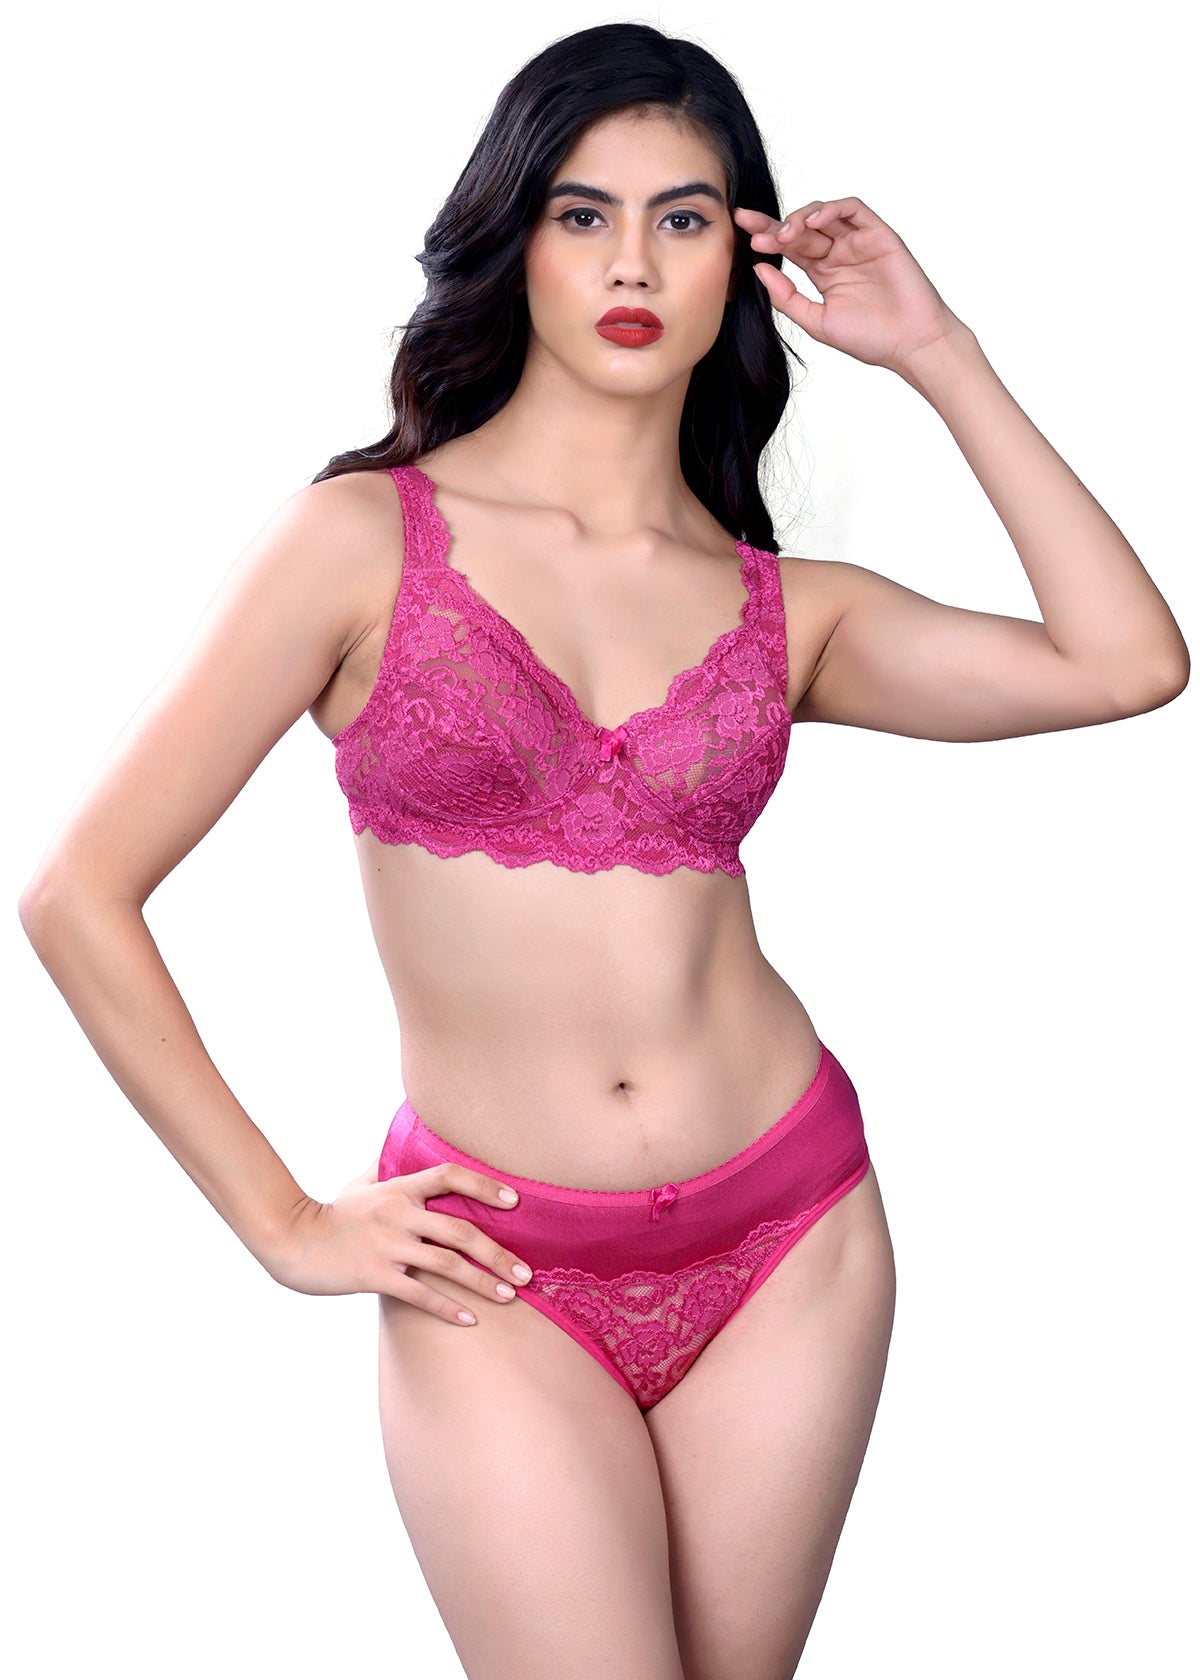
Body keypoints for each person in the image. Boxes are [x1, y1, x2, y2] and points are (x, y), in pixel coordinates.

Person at [17, 20, 1189, 1680]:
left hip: (791, 1234)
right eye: (584, 214)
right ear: (519, 244)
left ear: (741, 263)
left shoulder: (785, 610)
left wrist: (939, 354)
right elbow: (79, 894)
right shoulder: (356, 543)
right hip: (498, 1271)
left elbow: (1126, 663)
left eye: (683, 218)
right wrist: (280, 1221)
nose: (633, 261)